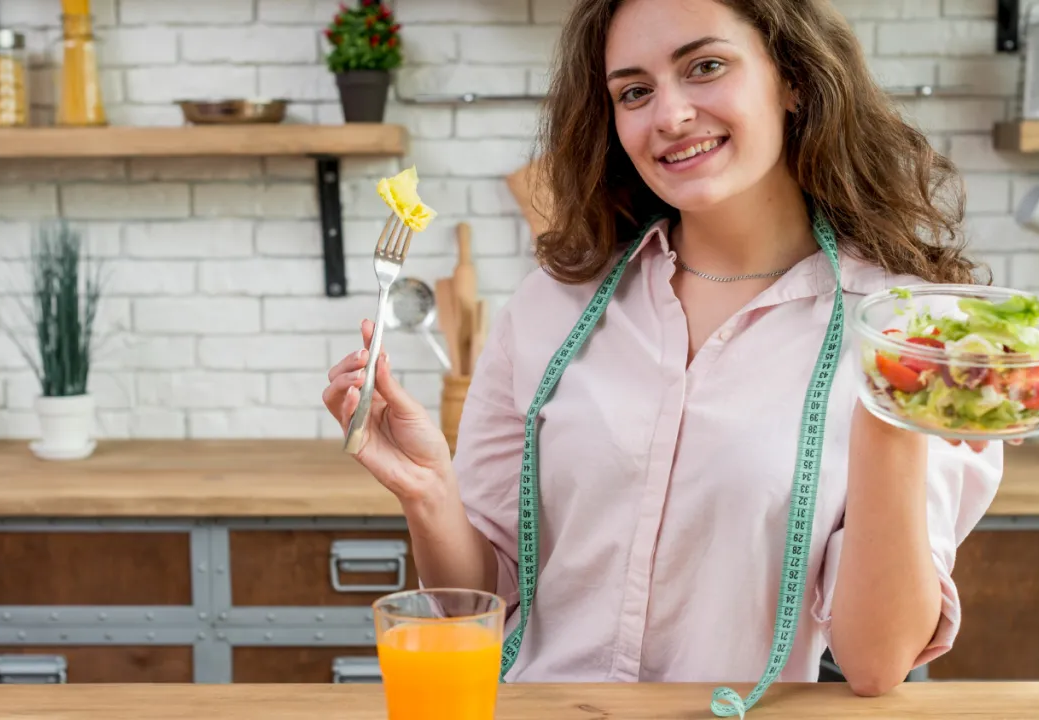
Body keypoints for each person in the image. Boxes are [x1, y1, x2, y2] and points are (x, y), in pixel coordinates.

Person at [322, 0, 1002, 703]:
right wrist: (430, 491)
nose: (670, 115)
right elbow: (486, 596)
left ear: (793, 78)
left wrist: (890, 415)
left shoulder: (911, 333)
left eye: (705, 67)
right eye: (634, 92)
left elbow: (876, 661)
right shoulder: (552, 307)